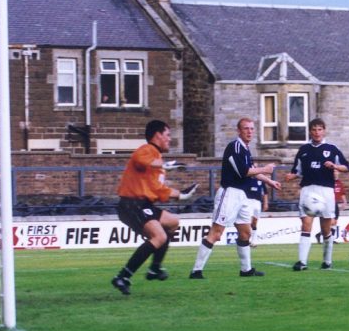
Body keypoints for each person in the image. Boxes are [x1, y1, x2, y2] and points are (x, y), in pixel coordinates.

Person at [111, 120, 198, 295]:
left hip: (143, 204)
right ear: (157, 135)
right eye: (167, 135)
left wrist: (182, 194)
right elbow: (139, 159)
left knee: (173, 222)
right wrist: (164, 165)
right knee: (158, 236)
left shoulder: (157, 159)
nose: (169, 140)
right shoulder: (147, 150)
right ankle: (123, 276)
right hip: (131, 205)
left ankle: (154, 269)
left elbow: (158, 190)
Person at [189, 118, 280, 279]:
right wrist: (266, 169)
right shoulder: (235, 147)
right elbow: (243, 171)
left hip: (242, 196)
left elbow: (252, 170)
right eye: (246, 128)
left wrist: (269, 181)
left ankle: (246, 270)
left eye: (252, 129)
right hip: (230, 193)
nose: (249, 131)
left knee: (245, 232)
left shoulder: (245, 149)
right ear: (239, 130)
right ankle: (196, 271)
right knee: (216, 233)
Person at [284, 118, 349, 271]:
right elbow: (297, 171)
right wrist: (290, 176)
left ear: (324, 131)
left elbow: (346, 167)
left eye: (320, 129)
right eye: (314, 129)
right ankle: (302, 262)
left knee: (326, 230)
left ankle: (327, 261)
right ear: (310, 131)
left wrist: (334, 166)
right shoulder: (303, 150)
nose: (317, 132)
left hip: (326, 191)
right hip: (308, 190)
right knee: (306, 225)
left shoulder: (332, 148)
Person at [248, 177, 268, 247]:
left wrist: (265, 203)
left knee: (254, 222)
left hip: (257, 202)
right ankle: (247, 240)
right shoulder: (247, 177)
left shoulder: (260, 178)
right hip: (248, 201)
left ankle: (254, 241)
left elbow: (265, 192)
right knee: (248, 221)